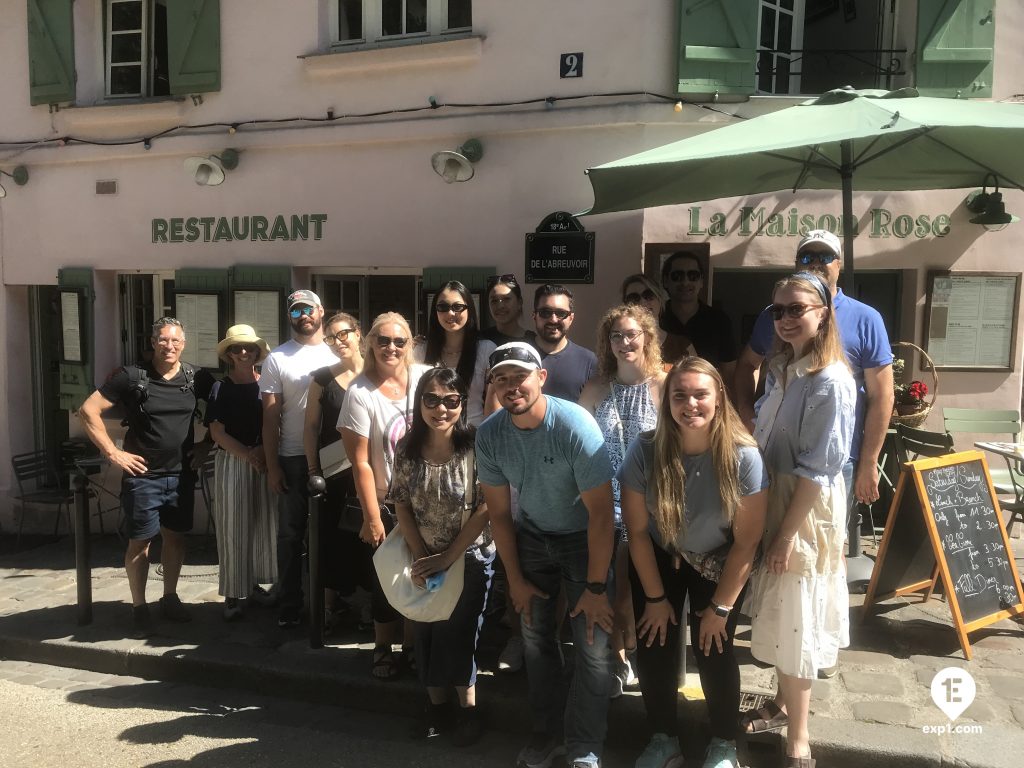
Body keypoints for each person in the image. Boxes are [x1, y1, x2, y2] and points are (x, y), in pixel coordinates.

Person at [619, 357, 768, 768]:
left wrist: (720, 609)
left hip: (719, 561)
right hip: (658, 554)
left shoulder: (743, 457)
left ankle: (722, 740)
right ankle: (663, 737)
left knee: (714, 648)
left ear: (718, 398)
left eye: (700, 394)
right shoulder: (645, 449)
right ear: (667, 401)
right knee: (655, 645)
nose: (690, 404)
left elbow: (747, 541)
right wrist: (653, 598)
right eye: (679, 395)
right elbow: (635, 531)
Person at [476, 341, 615, 768]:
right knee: (535, 640)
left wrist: (595, 586)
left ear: (541, 377)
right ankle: (547, 733)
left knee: (592, 644)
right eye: (501, 378)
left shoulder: (575, 425)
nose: (511, 385)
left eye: (520, 376)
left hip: (582, 538)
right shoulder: (491, 434)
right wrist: (514, 578)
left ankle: (584, 746)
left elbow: (601, 515)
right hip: (532, 536)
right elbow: (498, 515)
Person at [743, 272, 856, 768]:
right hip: (776, 494)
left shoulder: (829, 380)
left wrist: (786, 534)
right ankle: (784, 703)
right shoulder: (781, 367)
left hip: (803, 507)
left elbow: (819, 468)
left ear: (823, 313)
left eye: (796, 309)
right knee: (787, 612)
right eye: (778, 310)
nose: (785, 318)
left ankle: (798, 739)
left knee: (798, 617)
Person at [733, 229, 894, 514]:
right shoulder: (774, 315)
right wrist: (747, 416)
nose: (815, 262)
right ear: (796, 264)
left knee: (819, 543)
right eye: (807, 256)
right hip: (772, 455)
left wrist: (869, 461)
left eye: (825, 256)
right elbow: (748, 365)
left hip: (835, 460)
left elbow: (882, 396)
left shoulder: (866, 319)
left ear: (839, 264)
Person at [391, 367, 495, 746]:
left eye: (450, 401)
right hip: (424, 557)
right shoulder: (407, 449)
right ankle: (436, 707)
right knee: (427, 630)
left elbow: (486, 508)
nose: (441, 409)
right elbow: (400, 501)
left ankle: (468, 708)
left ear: (462, 405)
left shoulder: (474, 445)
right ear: (419, 402)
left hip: (468, 558)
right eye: (431, 399)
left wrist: (448, 557)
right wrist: (421, 554)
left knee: (459, 633)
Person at [78, 317, 199, 636]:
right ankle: (139, 606)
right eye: (163, 340)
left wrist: (207, 447)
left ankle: (170, 597)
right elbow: (88, 410)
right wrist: (113, 452)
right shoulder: (132, 376)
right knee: (140, 543)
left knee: (175, 538)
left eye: (175, 341)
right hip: (143, 476)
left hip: (181, 475)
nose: (169, 346)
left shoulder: (195, 377)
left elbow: (219, 414)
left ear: (184, 344)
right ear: (152, 342)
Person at [578, 304, 666, 698]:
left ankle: (644, 658)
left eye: (632, 334)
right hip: (604, 503)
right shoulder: (596, 388)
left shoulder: (666, 385)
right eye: (617, 336)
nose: (625, 342)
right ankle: (618, 659)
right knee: (611, 584)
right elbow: (577, 447)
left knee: (643, 587)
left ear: (647, 337)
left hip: (652, 504)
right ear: (607, 343)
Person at [339, 311, 430, 680]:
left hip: (428, 501)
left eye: (399, 341)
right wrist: (372, 515)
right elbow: (359, 462)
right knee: (387, 580)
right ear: (370, 343)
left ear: (410, 344)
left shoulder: (425, 379)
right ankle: (382, 646)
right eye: (382, 340)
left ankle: (411, 646)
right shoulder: (359, 393)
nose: (390, 347)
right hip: (388, 503)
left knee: (421, 576)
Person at [260, 289, 338, 629]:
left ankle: (331, 604)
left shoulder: (338, 351)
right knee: (291, 536)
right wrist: (273, 465)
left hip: (335, 455)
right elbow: (270, 418)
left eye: (307, 309)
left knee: (333, 535)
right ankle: (291, 603)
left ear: (321, 311)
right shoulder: (278, 358)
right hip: (292, 456)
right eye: (295, 312)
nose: (302, 316)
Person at [205, 325, 277, 621]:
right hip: (234, 460)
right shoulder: (221, 388)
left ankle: (257, 583)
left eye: (249, 348)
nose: (244, 353)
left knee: (265, 524)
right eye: (237, 348)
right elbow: (216, 431)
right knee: (233, 526)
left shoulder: (268, 385)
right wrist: (248, 454)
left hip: (265, 457)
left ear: (258, 352)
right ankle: (233, 592)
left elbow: (275, 421)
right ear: (230, 355)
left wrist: (262, 452)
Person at [303, 312, 368, 628]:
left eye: (344, 334)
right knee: (332, 537)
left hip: (371, 470)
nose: (339, 341)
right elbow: (311, 428)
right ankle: (331, 605)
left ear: (359, 334)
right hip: (332, 471)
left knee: (368, 536)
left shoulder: (378, 373)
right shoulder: (321, 379)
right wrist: (313, 469)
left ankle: (372, 604)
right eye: (330, 337)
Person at [416, 280, 497, 426]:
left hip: (473, 435)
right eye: (443, 307)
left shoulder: (486, 350)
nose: (450, 313)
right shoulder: (421, 351)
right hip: (433, 437)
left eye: (458, 307)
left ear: (469, 310)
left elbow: (494, 404)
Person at [659, 252, 736, 375]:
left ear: (701, 282)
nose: (685, 282)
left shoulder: (719, 321)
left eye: (693, 276)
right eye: (677, 276)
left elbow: (729, 374)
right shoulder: (657, 319)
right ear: (666, 281)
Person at [531, 284, 597, 403]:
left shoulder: (589, 362)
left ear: (571, 318)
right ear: (534, 316)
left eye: (561, 313)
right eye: (545, 312)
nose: (553, 319)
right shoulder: (517, 355)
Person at [481, 273, 534, 345]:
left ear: (519, 302)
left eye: (506, 299)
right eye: (494, 301)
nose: (500, 306)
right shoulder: (481, 341)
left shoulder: (533, 341)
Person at [620, 273, 669, 348]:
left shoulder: (682, 344)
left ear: (659, 298)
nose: (642, 302)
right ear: (626, 306)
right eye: (633, 298)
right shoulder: (621, 345)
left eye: (648, 295)